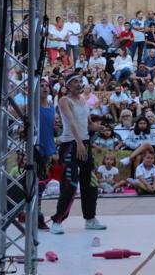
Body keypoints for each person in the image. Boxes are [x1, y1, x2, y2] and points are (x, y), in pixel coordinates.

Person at [51, 74, 108, 234]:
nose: (79, 83)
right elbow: (71, 123)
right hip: (71, 144)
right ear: (68, 86)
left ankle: (90, 218)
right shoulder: (64, 101)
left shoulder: (83, 100)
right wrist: (79, 142)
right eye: (75, 81)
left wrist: (100, 128)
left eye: (80, 81)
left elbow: (88, 124)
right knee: (70, 185)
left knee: (90, 183)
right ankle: (58, 221)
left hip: (84, 143)